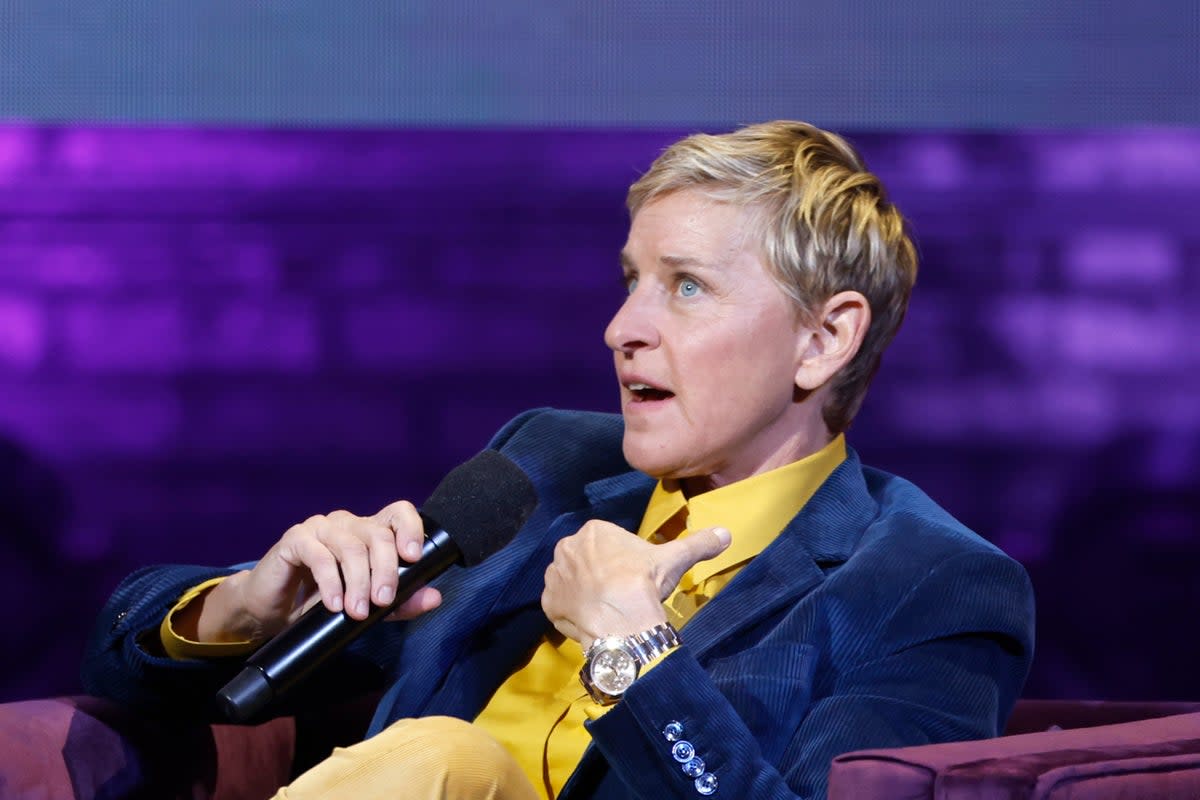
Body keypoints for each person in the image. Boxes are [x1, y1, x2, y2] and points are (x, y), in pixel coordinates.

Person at [82, 121, 1035, 800]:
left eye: (688, 287)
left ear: (824, 340)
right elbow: (132, 671)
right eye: (633, 282)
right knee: (437, 758)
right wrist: (251, 605)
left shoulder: (930, 587)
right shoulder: (545, 468)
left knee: (440, 762)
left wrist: (634, 654)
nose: (623, 329)